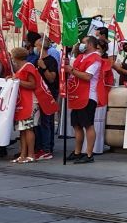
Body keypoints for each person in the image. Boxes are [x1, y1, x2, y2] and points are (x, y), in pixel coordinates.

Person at [67, 36, 104, 164]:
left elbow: (87, 76)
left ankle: (89, 154)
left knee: (88, 125)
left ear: (90, 45)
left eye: (83, 43)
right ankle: (77, 152)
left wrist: (71, 70)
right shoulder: (80, 57)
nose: (81, 45)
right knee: (76, 125)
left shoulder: (96, 59)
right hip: (76, 94)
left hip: (88, 96)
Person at [31, 33, 59, 161]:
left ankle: (47, 149)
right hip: (38, 94)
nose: (34, 48)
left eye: (36, 46)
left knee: (46, 122)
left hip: (48, 94)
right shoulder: (36, 60)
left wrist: (44, 67)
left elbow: (52, 78)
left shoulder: (50, 61)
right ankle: (42, 147)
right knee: (40, 122)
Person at [10, 47, 40, 164]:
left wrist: (18, 81)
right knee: (22, 130)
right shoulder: (21, 68)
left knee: (28, 128)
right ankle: (23, 154)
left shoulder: (28, 67)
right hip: (22, 101)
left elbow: (33, 84)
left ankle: (31, 154)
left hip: (31, 101)